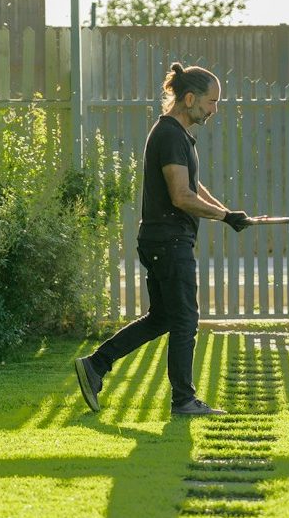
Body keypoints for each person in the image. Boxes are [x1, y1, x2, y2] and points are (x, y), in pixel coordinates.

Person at [74, 62, 251, 415]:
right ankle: (183, 400)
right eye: (212, 101)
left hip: (161, 241)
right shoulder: (170, 135)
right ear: (190, 99)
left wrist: (227, 213)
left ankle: (95, 364)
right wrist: (223, 216)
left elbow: (192, 186)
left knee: (162, 318)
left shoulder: (178, 135)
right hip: (169, 242)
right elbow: (181, 196)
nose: (215, 109)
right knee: (185, 319)